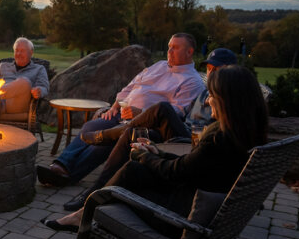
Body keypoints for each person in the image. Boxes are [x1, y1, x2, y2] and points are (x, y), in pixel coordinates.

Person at [41, 65, 268, 239]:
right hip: (203, 210)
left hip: (180, 221)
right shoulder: (247, 136)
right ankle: (88, 228)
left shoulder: (219, 139)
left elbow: (176, 173)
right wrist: (156, 153)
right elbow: (192, 166)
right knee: (135, 169)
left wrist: (145, 156)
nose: (208, 100)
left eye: (213, 96)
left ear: (229, 101)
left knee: (130, 173)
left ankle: (86, 215)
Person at [38, 33, 205, 211]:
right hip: (121, 113)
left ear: (190, 51)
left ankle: (69, 175)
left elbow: (174, 114)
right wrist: (114, 107)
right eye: (169, 46)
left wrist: (140, 112)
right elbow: (131, 86)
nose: (169, 51)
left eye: (175, 48)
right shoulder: (159, 66)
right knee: (92, 126)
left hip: (145, 124)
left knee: (104, 142)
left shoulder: (191, 81)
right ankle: (62, 164)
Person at [78, 48, 237, 194]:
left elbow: (215, 136)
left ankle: (105, 136)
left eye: (216, 69)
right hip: (179, 133)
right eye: (209, 69)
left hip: (192, 143)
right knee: (131, 133)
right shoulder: (205, 93)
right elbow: (183, 116)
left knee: (162, 108)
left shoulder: (227, 100)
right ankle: (96, 189)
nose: (211, 73)